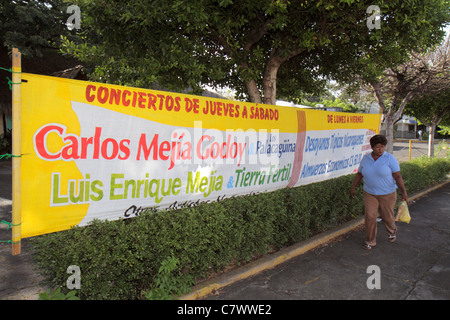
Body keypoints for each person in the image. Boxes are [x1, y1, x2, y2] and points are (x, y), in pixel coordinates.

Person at [350, 135, 408, 250]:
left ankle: (392, 231)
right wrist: (353, 187)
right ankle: (370, 240)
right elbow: (360, 174)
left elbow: (397, 176)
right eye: (377, 147)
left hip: (388, 193)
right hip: (370, 193)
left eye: (382, 147)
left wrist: (404, 192)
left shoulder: (390, 158)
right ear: (372, 147)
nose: (380, 149)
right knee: (370, 217)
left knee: (387, 216)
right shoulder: (366, 159)